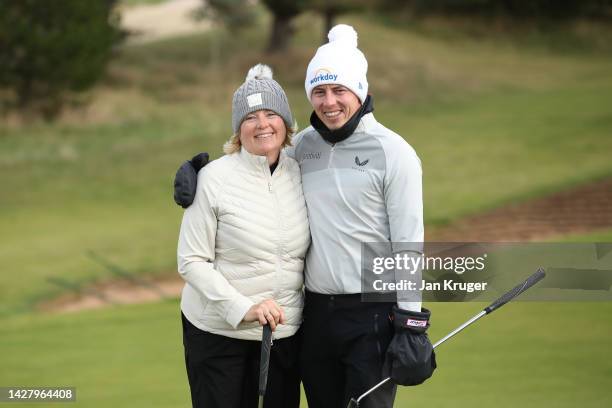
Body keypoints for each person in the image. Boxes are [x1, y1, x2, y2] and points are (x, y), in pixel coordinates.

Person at [175, 25, 435, 408]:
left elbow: (408, 244)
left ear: (360, 91)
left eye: (339, 90)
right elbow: (255, 163)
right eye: (319, 92)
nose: (329, 102)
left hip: (372, 314)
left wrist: (412, 322)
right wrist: (198, 171)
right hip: (313, 317)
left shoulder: (395, 153)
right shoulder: (304, 148)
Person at [176, 64, 310, 408]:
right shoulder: (211, 179)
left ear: (286, 122)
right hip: (219, 337)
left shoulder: (301, 171)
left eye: (271, 114)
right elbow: (191, 261)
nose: (262, 124)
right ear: (238, 129)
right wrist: (244, 308)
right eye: (250, 117)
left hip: (282, 336)